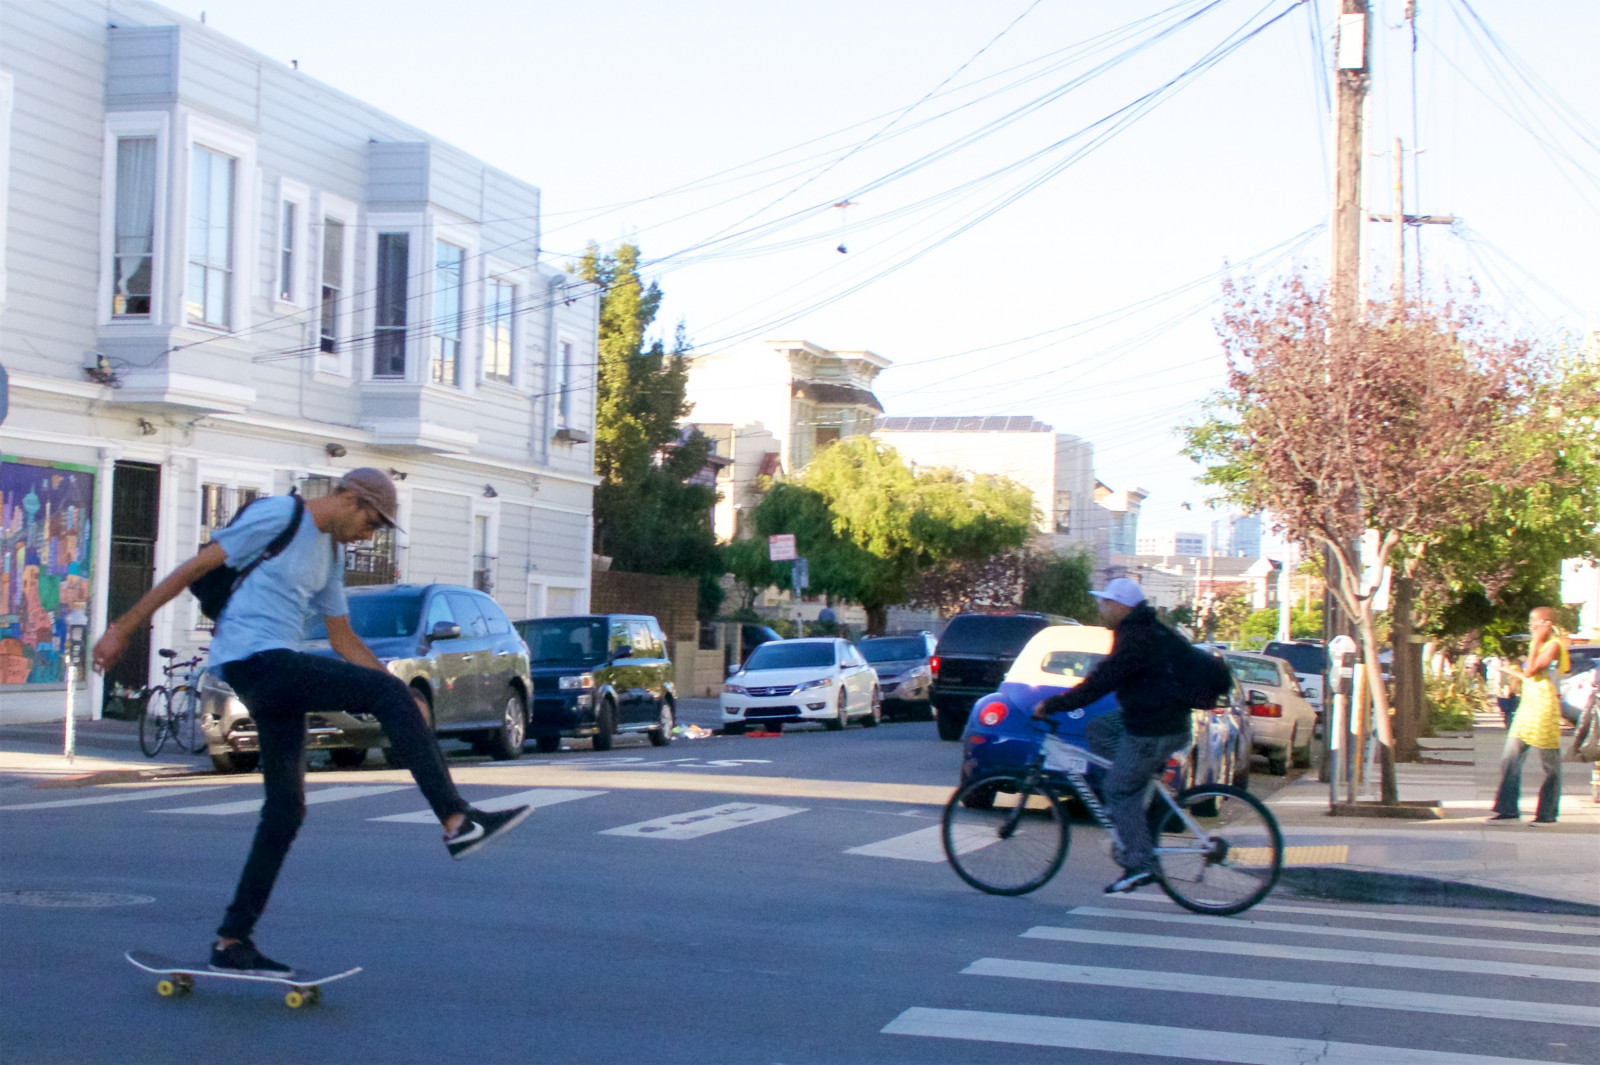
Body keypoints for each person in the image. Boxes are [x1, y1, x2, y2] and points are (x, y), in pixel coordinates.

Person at [91, 469, 530, 977]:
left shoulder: (332, 556)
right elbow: (191, 569)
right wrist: (120, 628)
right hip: (253, 661)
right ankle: (457, 819)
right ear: (348, 498)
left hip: (278, 670)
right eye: (371, 522)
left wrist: (402, 697)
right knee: (385, 694)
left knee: (287, 809)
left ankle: (233, 940)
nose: (370, 535)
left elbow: (344, 641)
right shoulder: (279, 515)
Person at [1031, 577, 1193, 894]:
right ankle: (1142, 787)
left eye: (1105, 602)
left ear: (1121, 606)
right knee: (1100, 728)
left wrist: (1053, 705)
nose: (1101, 607)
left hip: (1155, 726)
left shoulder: (1136, 637)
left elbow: (1100, 682)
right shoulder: (1143, 630)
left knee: (1118, 790)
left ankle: (1139, 863)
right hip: (1156, 718)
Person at [1488, 607, 1568, 824]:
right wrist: (1509, 671)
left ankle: (1548, 812)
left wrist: (1535, 643)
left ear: (1547, 623)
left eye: (1536, 623)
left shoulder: (1553, 645)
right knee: (1510, 758)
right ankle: (1507, 808)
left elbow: (1532, 669)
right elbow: (1527, 675)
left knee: (1550, 765)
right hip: (1528, 707)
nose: (1531, 627)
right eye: (1530, 623)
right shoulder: (1540, 644)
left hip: (1544, 708)